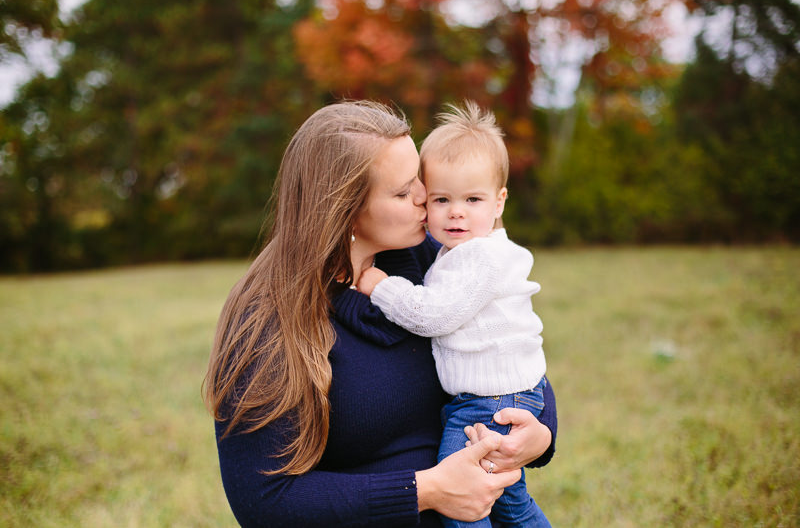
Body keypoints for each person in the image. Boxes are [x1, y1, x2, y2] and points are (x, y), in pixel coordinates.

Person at [203, 100, 557, 528]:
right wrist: (428, 490)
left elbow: (505, 348)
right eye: (405, 190)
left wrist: (539, 434)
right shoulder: (267, 323)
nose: (428, 198)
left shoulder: (432, 257)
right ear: (345, 210)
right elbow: (265, 501)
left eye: (421, 181)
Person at [357, 101, 551, 528]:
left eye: (472, 199)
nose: (456, 211)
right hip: (498, 397)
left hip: (488, 405)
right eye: (441, 198)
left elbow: (435, 316)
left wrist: (379, 286)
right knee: (510, 504)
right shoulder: (457, 253)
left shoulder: (481, 257)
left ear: (500, 202)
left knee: (462, 501)